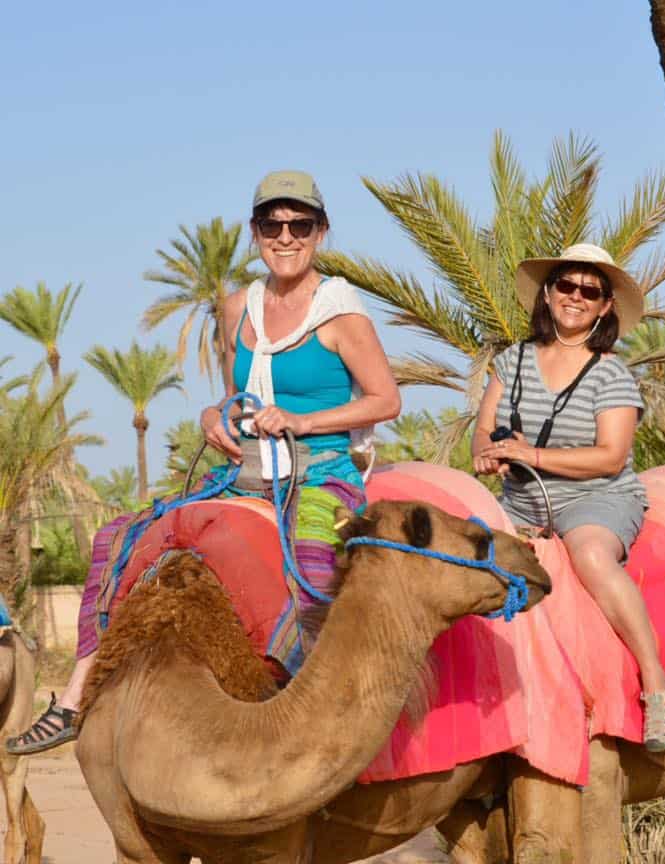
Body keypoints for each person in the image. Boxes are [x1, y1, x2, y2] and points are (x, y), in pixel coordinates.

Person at [7, 170, 401, 754]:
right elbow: (232, 393)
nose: (285, 236)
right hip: (245, 473)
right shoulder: (238, 309)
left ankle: (337, 724)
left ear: (320, 233)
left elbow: (386, 400)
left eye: (300, 225)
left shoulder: (341, 315)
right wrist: (212, 417)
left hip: (320, 473)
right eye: (273, 224)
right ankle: (73, 698)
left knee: (316, 571)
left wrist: (302, 421)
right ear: (255, 231)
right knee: (119, 538)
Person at [471, 243, 665, 751]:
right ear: (548, 292)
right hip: (519, 499)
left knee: (588, 554)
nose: (576, 296)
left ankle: (656, 686)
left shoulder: (611, 374)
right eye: (567, 284)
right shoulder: (512, 362)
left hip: (595, 497)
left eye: (590, 290)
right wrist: (488, 455)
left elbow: (610, 456)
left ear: (605, 307)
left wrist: (531, 457)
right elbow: (483, 431)